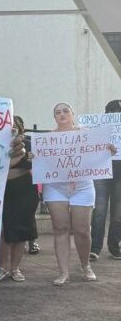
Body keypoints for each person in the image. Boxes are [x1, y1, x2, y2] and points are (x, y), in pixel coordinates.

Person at [43, 103, 115, 285]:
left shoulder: (87, 133)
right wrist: (34, 157)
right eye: (57, 112)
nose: (62, 114)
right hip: (56, 187)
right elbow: (43, 161)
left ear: (73, 114)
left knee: (82, 230)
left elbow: (100, 151)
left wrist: (109, 150)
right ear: (54, 117)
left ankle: (85, 266)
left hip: (82, 186)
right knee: (60, 229)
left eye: (65, 110)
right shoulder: (48, 138)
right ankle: (63, 272)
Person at [0, 116, 39, 282]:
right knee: (4, 231)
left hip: (25, 190)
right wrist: (16, 160)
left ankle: (15, 269)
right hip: (3, 190)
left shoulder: (31, 143)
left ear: (21, 129)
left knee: (22, 231)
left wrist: (36, 158)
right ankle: (1, 268)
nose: (12, 130)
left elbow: (44, 165)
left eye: (15, 127)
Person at [90, 99, 121, 260]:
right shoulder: (99, 129)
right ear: (108, 114)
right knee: (100, 211)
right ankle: (94, 247)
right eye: (115, 111)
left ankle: (115, 246)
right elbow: (89, 147)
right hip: (102, 172)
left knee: (118, 213)